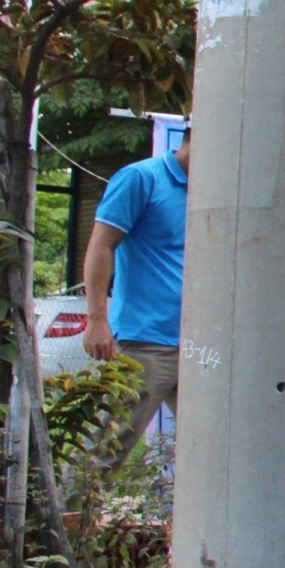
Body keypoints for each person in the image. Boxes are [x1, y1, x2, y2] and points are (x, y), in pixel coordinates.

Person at [83, 125, 190, 469]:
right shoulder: (141, 179)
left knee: (218, 445)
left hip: (201, 347)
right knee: (108, 449)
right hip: (146, 343)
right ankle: (68, 520)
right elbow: (101, 245)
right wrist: (97, 320)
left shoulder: (215, 191)